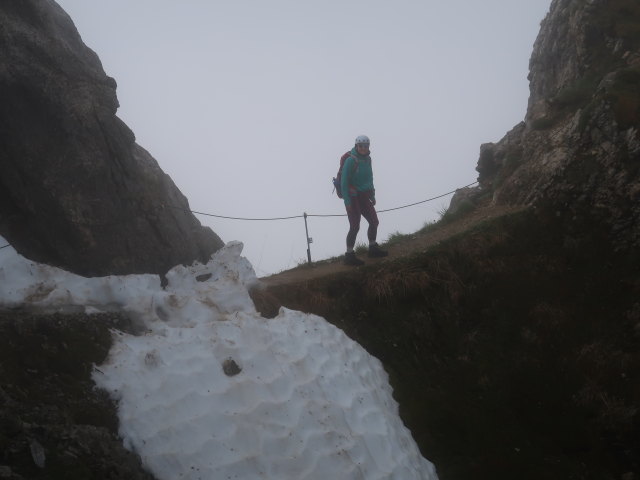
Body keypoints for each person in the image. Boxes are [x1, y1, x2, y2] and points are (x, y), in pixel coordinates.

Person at [341, 135, 388, 266]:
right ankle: (349, 255)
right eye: (361, 146)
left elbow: (370, 177)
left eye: (366, 146)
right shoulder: (351, 160)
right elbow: (344, 182)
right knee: (355, 226)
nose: (363, 148)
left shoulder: (368, 159)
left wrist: (372, 194)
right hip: (353, 196)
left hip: (364, 195)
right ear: (356, 146)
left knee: (374, 221)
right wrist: (347, 201)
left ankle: (372, 248)